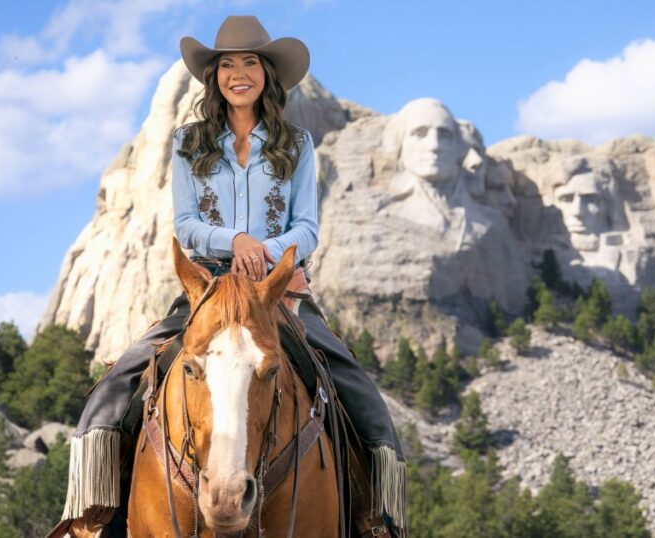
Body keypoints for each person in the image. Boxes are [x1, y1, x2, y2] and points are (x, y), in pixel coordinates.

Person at [54, 15, 406, 537]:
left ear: (266, 73)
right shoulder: (189, 143)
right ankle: (98, 515)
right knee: (120, 383)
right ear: (213, 76)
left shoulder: (297, 144)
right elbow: (188, 225)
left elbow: (306, 228)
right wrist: (233, 243)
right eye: (227, 65)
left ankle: (375, 518)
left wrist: (265, 253)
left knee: (358, 393)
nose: (238, 73)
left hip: (278, 292)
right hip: (209, 290)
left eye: (249, 63)